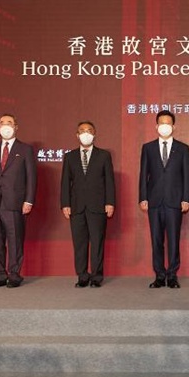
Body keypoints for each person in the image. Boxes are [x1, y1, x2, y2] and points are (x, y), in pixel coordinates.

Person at [0, 114, 37, 288]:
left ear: (16, 126)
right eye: (2, 123)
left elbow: (31, 177)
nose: (6, 126)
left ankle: (14, 274)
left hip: (15, 203)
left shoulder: (25, 149)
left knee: (14, 240)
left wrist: (29, 200)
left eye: (9, 123)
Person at [139, 110, 189, 289]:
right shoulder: (148, 148)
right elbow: (143, 174)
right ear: (156, 126)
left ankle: (172, 275)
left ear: (173, 126)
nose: (165, 126)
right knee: (156, 240)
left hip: (175, 201)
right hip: (154, 201)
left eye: (168, 123)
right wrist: (143, 197)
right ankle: (159, 275)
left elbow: (186, 176)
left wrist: (186, 198)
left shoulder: (183, 148)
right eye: (161, 123)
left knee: (174, 240)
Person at [61, 121, 115, 288]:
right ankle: (82, 276)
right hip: (76, 206)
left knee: (97, 242)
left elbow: (109, 182)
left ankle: (97, 277)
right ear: (77, 135)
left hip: (98, 205)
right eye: (82, 131)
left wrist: (110, 202)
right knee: (79, 243)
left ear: (95, 134)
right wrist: (65, 204)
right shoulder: (70, 156)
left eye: (89, 130)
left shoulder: (104, 155)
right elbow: (65, 183)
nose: (86, 133)